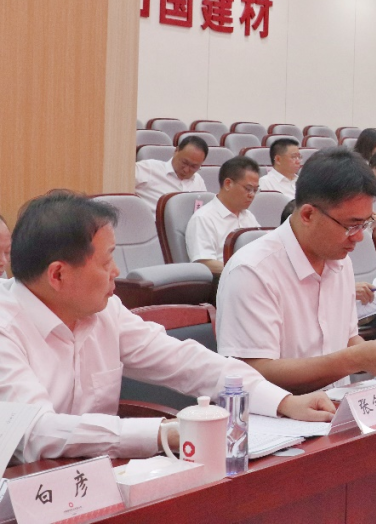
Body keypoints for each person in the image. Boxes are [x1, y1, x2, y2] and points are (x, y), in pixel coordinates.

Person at [0, 191, 334, 464]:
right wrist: (163, 433)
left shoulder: (103, 311)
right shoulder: (6, 327)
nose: (116, 271)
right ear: (58, 274)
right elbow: (35, 433)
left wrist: (283, 402)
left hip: (96, 478)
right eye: (106, 261)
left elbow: (185, 362)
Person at [217, 149, 376, 394]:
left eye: (365, 224)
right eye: (351, 225)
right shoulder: (252, 271)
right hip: (279, 414)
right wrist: (355, 359)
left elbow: (347, 339)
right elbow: (251, 373)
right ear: (308, 214)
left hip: (337, 405)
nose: (359, 237)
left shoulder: (340, 261)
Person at [186, 156, 261, 275]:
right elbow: (204, 263)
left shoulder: (248, 216)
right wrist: (245, 271)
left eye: (255, 190)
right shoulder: (203, 218)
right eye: (248, 189)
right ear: (228, 184)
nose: (252, 195)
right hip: (224, 280)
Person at [134, 135, 208, 206]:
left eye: (194, 167)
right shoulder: (149, 168)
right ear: (176, 151)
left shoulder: (198, 180)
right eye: (184, 162)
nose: (186, 170)